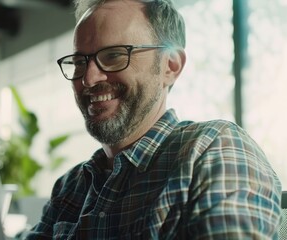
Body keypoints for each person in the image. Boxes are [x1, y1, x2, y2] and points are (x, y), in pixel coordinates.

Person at [25, 0, 282, 238]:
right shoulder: (71, 187)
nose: (89, 79)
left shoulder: (212, 151)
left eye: (114, 55)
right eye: (80, 62)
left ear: (170, 66)